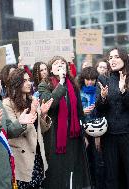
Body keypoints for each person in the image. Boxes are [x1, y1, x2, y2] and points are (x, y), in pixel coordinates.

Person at [38, 56, 91, 189]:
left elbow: (79, 111)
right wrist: (61, 84)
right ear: (51, 69)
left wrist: (83, 134)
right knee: (57, 171)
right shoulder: (44, 85)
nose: (60, 65)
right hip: (55, 135)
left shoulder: (73, 85)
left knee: (73, 168)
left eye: (63, 63)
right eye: (56, 64)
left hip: (73, 135)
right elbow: (50, 105)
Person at [96, 47, 129, 189]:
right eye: (110, 57)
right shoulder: (103, 79)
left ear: (124, 58)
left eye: (116, 57)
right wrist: (103, 98)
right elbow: (99, 108)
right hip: (109, 135)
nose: (112, 60)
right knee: (111, 177)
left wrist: (124, 91)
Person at [3, 68, 53, 189]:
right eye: (24, 80)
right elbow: (13, 131)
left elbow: (42, 130)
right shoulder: (7, 103)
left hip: (37, 155)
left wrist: (44, 115)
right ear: (16, 83)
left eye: (29, 80)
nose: (28, 83)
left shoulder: (33, 100)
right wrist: (32, 112)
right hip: (22, 157)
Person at [78, 67, 104, 189]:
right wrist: (82, 112)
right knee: (86, 163)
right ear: (83, 80)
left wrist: (98, 135)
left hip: (98, 132)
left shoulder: (99, 93)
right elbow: (74, 115)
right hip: (83, 133)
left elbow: (102, 114)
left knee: (98, 164)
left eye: (92, 79)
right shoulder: (78, 93)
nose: (90, 82)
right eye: (87, 79)